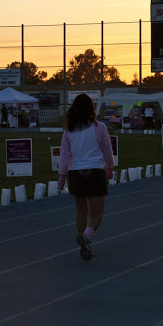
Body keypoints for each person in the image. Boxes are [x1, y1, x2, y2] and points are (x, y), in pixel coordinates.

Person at [57, 93, 115, 261]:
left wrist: (61, 178)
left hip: (76, 173)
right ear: (91, 109)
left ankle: (85, 243)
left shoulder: (69, 130)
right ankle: (87, 237)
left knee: (81, 212)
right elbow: (107, 150)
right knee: (97, 214)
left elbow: (64, 156)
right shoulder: (99, 128)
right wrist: (109, 168)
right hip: (95, 171)